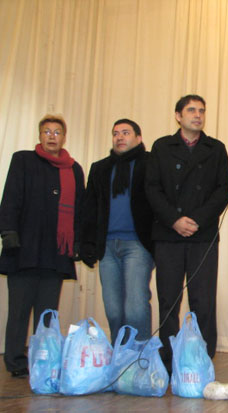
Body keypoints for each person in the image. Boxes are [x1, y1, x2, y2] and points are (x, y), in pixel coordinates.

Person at [145, 95, 228, 365]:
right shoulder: (161, 146)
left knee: (203, 302)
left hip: (202, 235)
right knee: (168, 300)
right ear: (178, 116)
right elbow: (152, 188)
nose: (198, 115)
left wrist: (197, 220)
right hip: (168, 235)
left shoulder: (215, 148)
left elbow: (223, 189)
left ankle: (203, 360)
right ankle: (167, 361)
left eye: (202, 111)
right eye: (191, 110)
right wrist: (174, 220)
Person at [0, 114, 85, 377]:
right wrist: (8, 232)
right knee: (19, 311)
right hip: (23, 249)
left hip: (55, 253)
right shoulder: (23, 160)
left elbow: (80, 211)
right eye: (47, 131)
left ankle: (43, 360)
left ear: (64, 137)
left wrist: (79, 243)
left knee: (48, 314)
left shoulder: (74, 169)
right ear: (39, 135)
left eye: (57, 132)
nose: (51, 136)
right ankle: (15, 362)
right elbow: (10, 197)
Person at [81, 119, 154, 343]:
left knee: (135, 308)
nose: (119, 137)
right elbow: (89, 208)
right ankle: (120, 358)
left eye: (125, 132)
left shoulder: (151, 163)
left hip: (137, 245)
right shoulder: (100, 168)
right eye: (115, 133)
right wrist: (87, 244)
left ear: (139, 138)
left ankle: (139, 360)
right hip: (108, 247)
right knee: (113, 310)